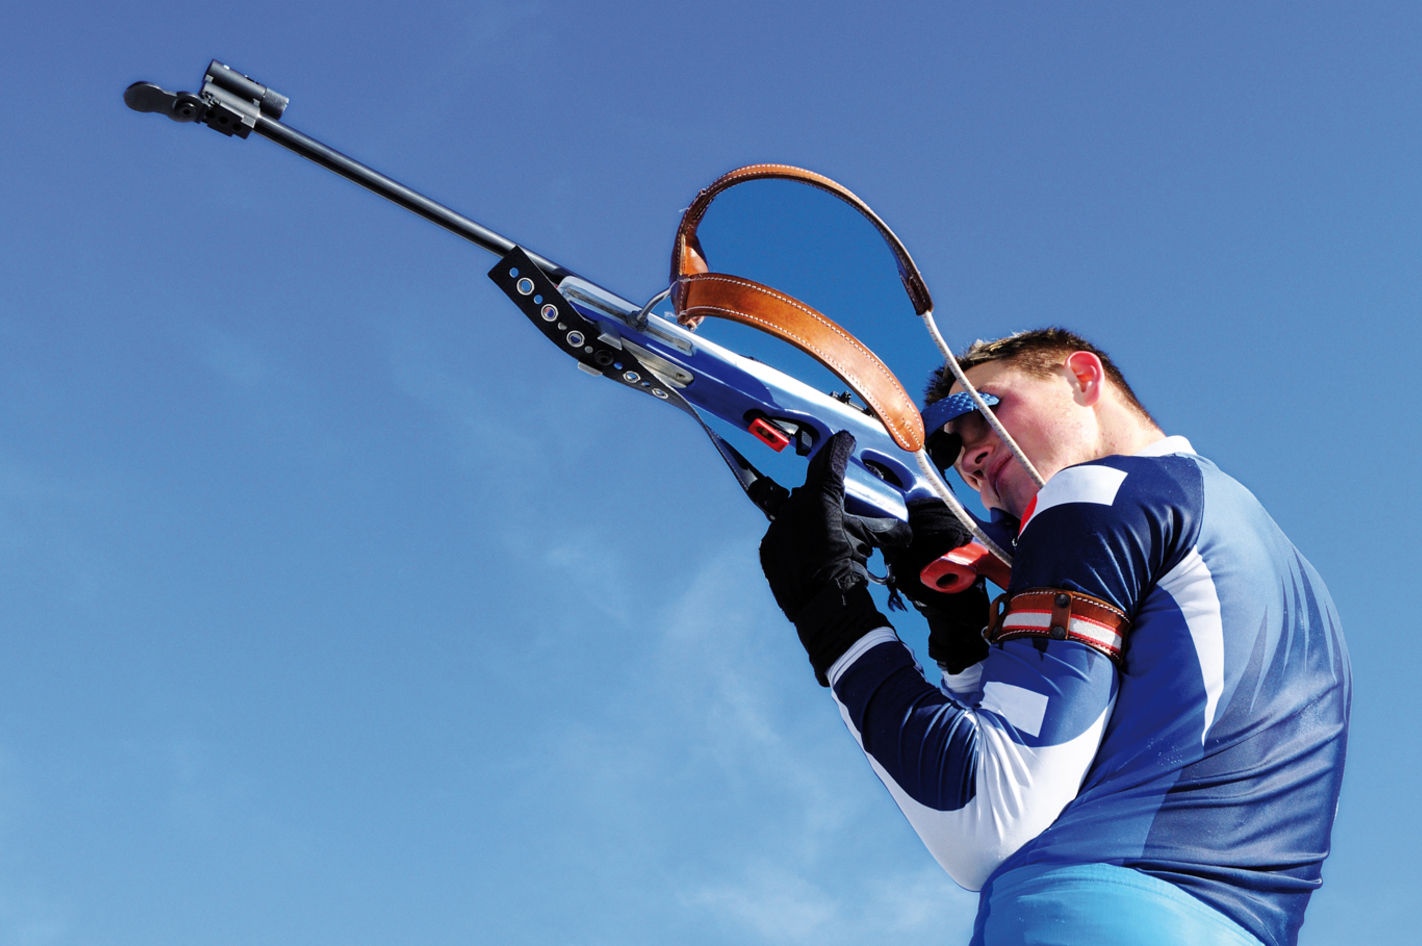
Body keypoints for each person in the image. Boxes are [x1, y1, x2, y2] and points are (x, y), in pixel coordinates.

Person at [759, 328, 1350, 946]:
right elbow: (1110, 759)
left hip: (1086, 915)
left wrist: (830, 607)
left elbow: (988, 821)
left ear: (1083, 377)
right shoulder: (1278, 562)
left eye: (983, 412)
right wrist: (961, 643)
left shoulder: (1094, 490)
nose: (969, 460)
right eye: (953, 452)